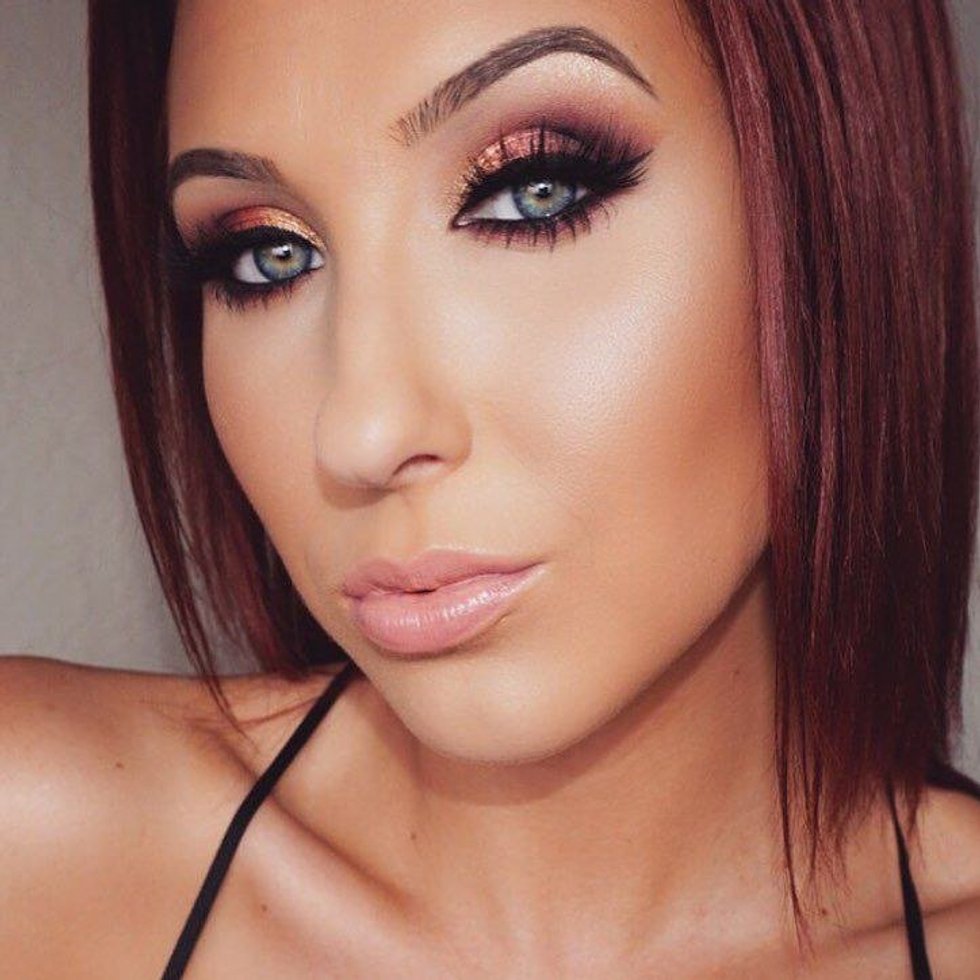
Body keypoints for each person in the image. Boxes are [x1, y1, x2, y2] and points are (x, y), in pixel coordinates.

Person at [3, 0, 980, 975]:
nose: (362, 433)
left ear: (830, 198)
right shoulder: (36, 849)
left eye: (533, 192)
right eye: (267, 255)